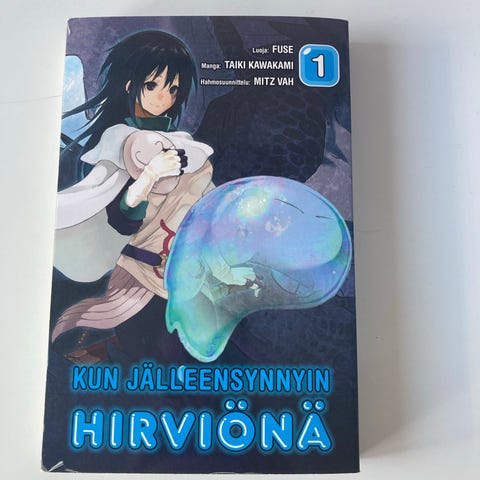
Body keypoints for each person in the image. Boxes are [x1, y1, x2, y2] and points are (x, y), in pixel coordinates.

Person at [52, 30, 254, 364]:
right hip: (142, 269)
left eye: (173, 89)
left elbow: (204, 208)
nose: (165, 97)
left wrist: (225, 259)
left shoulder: (181, 143)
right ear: (129, 85)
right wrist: (149, 176)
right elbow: (122, 218)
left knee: (186, 347)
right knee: (151, 345)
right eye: (153, 85)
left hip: (184, 266)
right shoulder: (121, 141)